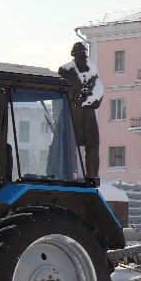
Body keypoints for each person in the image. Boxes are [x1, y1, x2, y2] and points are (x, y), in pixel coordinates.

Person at [58, 42, 103, 180]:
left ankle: (92, 176)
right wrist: (76, 100)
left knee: (93, 145)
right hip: (72, 116)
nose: (82, 56)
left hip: (89, 116)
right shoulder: (65, 70)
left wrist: (87, 101)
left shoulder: (92, 70)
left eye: (84, 53)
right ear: (74, 54)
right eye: (79, 53)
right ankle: (70, 174)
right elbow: (62, 92)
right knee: (71, 146)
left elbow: (99, 91)